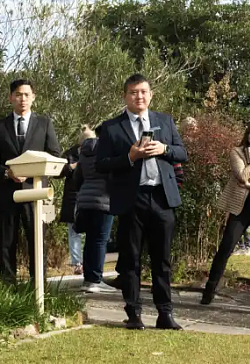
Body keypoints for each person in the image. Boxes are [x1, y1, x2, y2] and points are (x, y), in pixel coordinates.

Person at [96, 74, 188, 331]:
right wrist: (129, 156)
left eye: (143, 92)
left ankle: (165, 314)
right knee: (131, 259)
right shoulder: (112, 127)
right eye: (134, 92)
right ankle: (134, 313)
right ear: (125, 96)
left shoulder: (165, 121)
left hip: (161, 197)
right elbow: (101, 164)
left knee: (162, 259)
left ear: (151, 94)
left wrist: (165, 150)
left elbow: (183, 153)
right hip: (131, 199)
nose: (139, 96)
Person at [0, 79, 60, 283]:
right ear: (10, 98)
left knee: (36, 241)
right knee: (7, 241)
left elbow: (54, 155)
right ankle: (8, 287)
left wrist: (35, 171)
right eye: (18, 94)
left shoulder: (44, 123)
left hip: (35, 192)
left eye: (26, 94)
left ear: (33, 97)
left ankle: (39, 287)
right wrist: (6, 172)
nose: (22, 99)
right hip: (7, 193)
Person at [202, 119, 250, 308]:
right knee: (226, 248)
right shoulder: (237, 152)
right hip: (240, 208)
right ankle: (209, 291)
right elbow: (241, 175)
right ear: (247, 133)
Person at [73, 125, 117, 294]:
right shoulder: (106, 152)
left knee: (90, 240)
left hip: (85, 200)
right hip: (103, 200)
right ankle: (96, 279)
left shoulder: (83, 153)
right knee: (100, 240)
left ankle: (88, 279)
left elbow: (77, 179)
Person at [59, 139, 84, 276]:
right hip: (73, 196)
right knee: (74, 231)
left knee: (93, 232)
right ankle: (77, 264)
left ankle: (90, 262)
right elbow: (58, 172)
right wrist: (72, 167)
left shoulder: (98, 151)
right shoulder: (69, 153)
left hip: (90, 195)